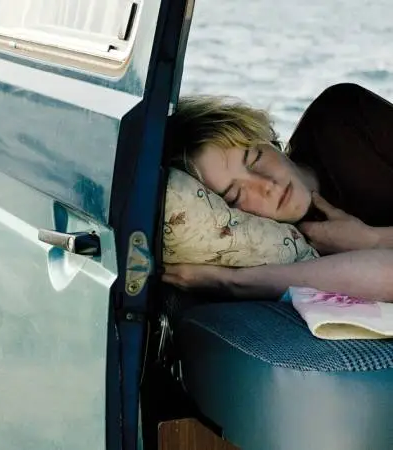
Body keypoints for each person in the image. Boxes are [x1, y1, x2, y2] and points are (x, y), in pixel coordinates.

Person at [161, 83, 393, 302]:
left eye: (255, 158)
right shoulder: (280, 247)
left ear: (265, 137)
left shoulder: (342, 118)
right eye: (236, 195)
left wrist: (372, 239)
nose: (265, 185)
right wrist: (229, 280)